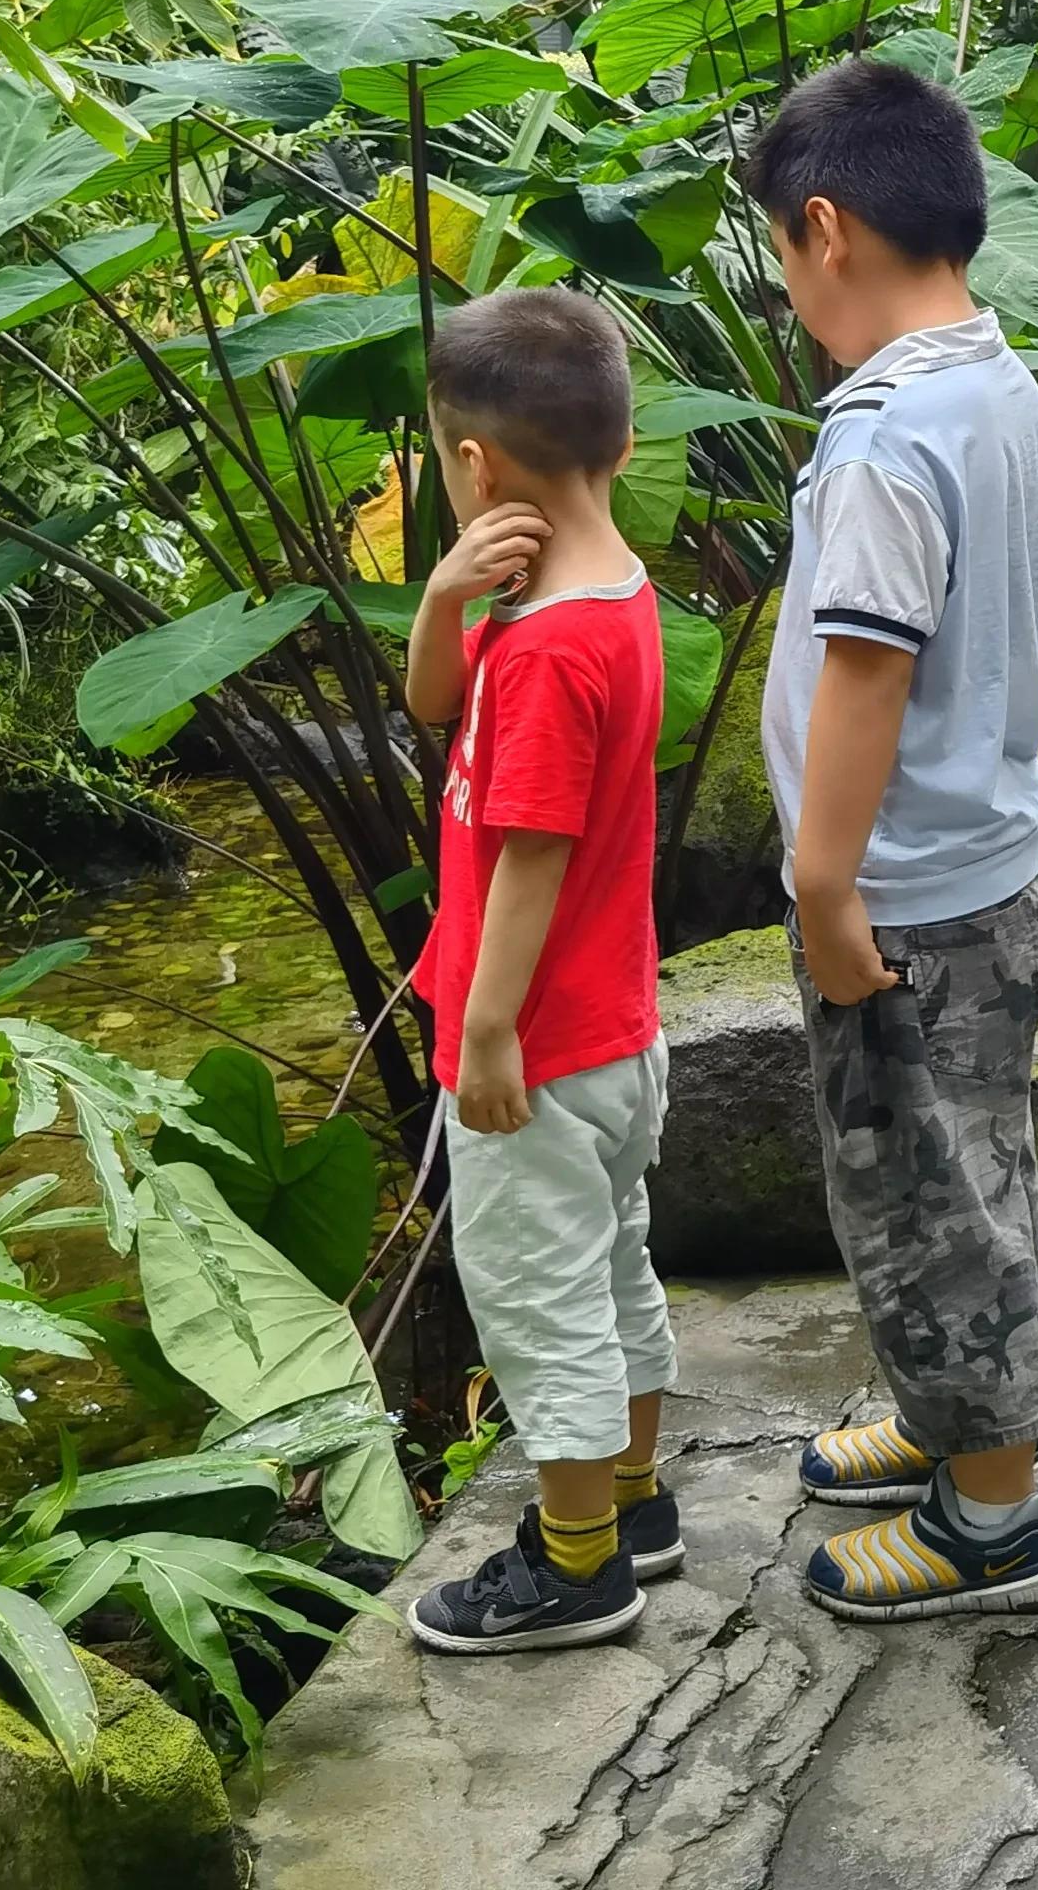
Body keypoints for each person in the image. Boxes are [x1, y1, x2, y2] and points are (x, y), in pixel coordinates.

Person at [746, 57, 1038, 1621]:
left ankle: (1001, 1516)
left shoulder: (884, 437)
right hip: (988, 863)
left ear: (827, 230)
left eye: (779, 262)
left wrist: (823, 884)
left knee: (934, 1203)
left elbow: (870, 672)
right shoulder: (994, 382)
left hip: (905, 903)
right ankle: (944, 1414)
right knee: (947, 1173)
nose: (787, 293)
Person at [397, 287, 678, 1655]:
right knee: (613, 1267)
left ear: (472, 463)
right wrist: (446, 595)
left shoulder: (557, 649)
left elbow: (530, 857)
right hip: (616, 1032)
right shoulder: (604, 597)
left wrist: (487, 1030)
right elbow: (435, 704)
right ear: (621, 446)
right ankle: (633, 1500)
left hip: (541, 1049)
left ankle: (578, 1568)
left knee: (539, 1298)